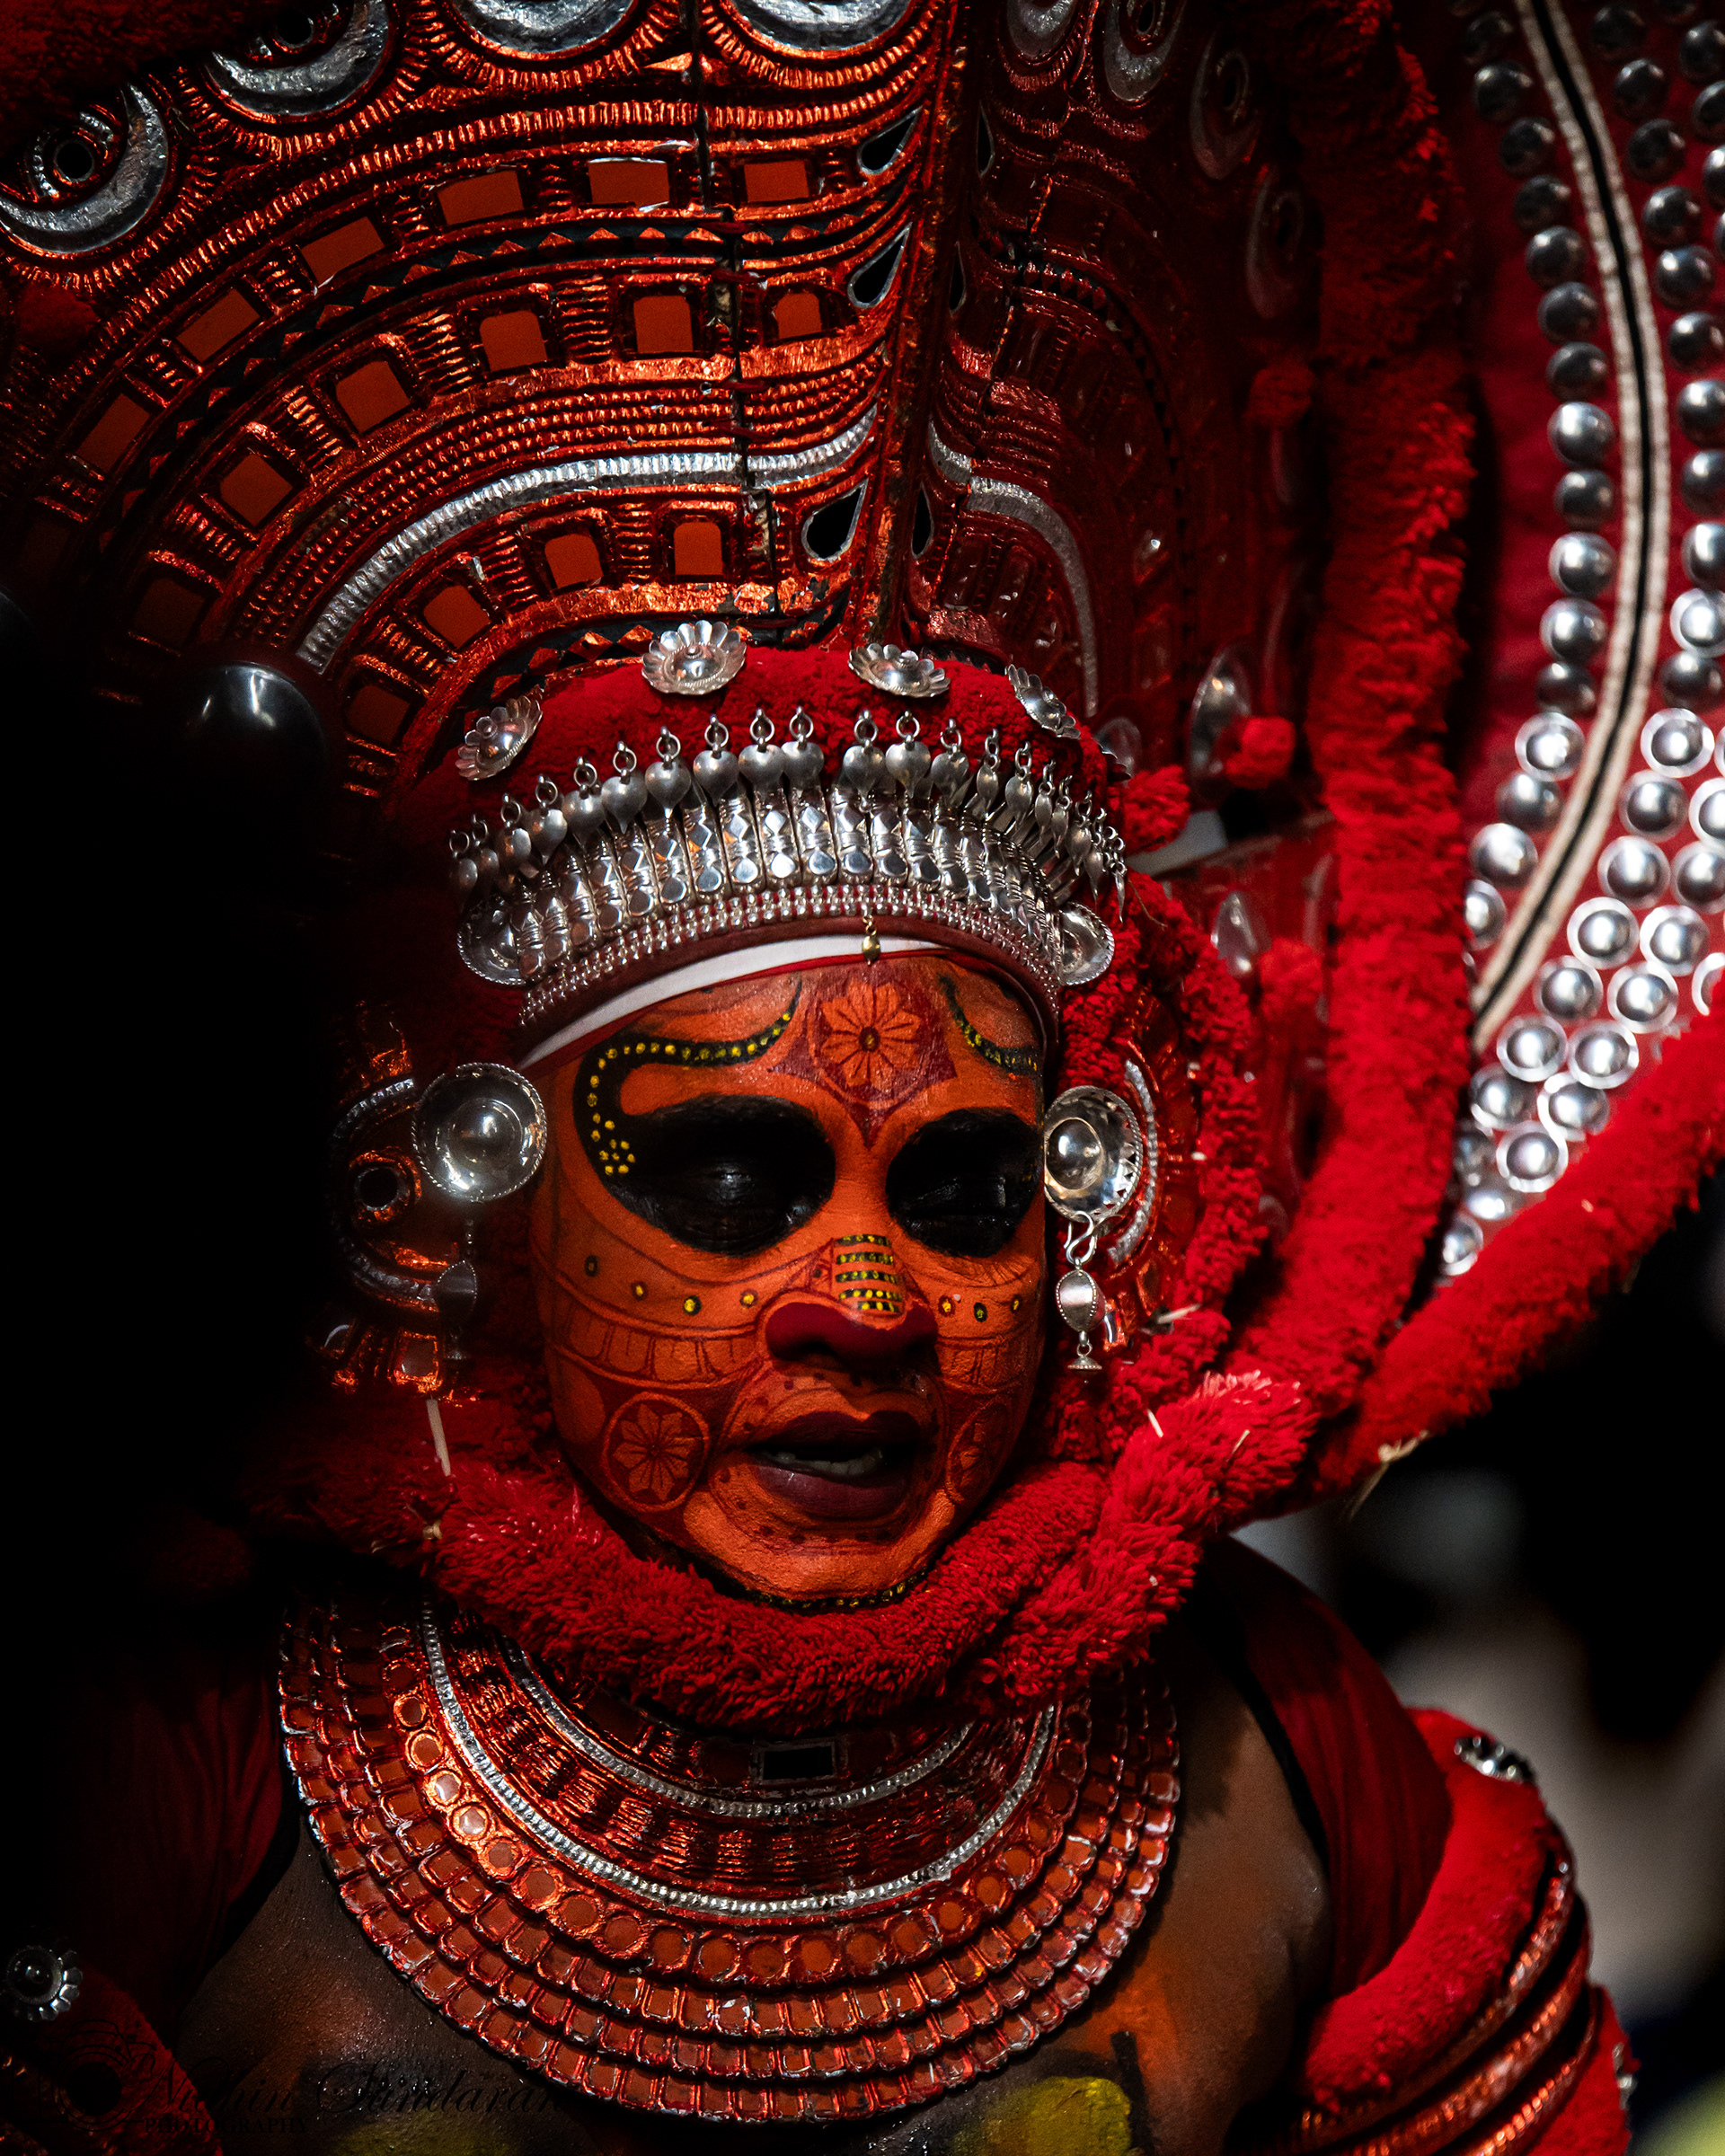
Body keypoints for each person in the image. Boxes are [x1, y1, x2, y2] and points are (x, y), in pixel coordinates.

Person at [0, 0, 1719, 2148]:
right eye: (729, 1173)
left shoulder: (1284, 1752)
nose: (871, 1306)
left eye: (972, 1191)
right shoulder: (178, 1754)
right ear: (463, 1205)